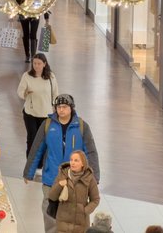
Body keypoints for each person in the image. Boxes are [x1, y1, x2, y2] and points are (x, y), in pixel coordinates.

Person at [25, 94, 100, 233]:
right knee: (49, 211)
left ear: (71, 108)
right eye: (58, 107)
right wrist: (28, 173)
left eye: (64, 107)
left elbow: (91, 152)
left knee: (73, 213)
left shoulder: (82, 126)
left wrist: (95, 177)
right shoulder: (47, 124)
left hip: (77, 179)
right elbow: (37, 149)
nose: (61, 110)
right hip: (51, 178)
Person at [48, 150, 100, 233]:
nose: (72, 163)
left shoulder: (89, 178)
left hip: (81, 224)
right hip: (62, 223)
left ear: (83, 163)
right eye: (71, 160)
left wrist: (85, 211)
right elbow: (51, 196)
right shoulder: (62, 175)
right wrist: (59, 185)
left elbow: (95, 199)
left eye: (76, 160)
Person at [18, 53, 59, 157]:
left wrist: (56, 108)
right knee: (31, 139)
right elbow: (20, 92)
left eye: (39, 63)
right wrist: (25, 93)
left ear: (44, 64)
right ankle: (31, 164)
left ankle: (40, 165)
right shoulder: (27, 76)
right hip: (30, 113)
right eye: (34, 63)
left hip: (46, 114)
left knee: (43, 140)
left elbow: (55, 93)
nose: (36, 66)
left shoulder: (51, 77)